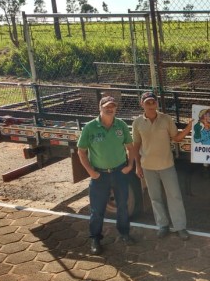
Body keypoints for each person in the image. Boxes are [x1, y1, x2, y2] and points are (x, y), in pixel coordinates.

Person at [77, 95, 137, 255]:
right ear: (100, 108)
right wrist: (91, 172)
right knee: (97, 210)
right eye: (107, 106)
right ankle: (95, 239)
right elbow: (81, 151)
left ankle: (124, 233)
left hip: (119, 173)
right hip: (99, 176)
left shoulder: (121, 125)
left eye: (113, 106)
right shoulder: (90, 127)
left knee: (123, 206)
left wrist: (130, 165)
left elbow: (131, 147)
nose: (110, 109)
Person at [132, 91, 192, 240]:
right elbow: (136, 145)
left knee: (175, 196)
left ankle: (180, 227)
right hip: (148, 167)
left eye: (153, 102)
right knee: (155, 197)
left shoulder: (166, 119)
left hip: (166, 165)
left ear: (157, 103)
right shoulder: (137, 123)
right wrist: (137, 166)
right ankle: (162, 225)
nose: (151, 105)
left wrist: (189, 127)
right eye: (147, 103)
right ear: (142, 104)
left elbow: (176, 138)